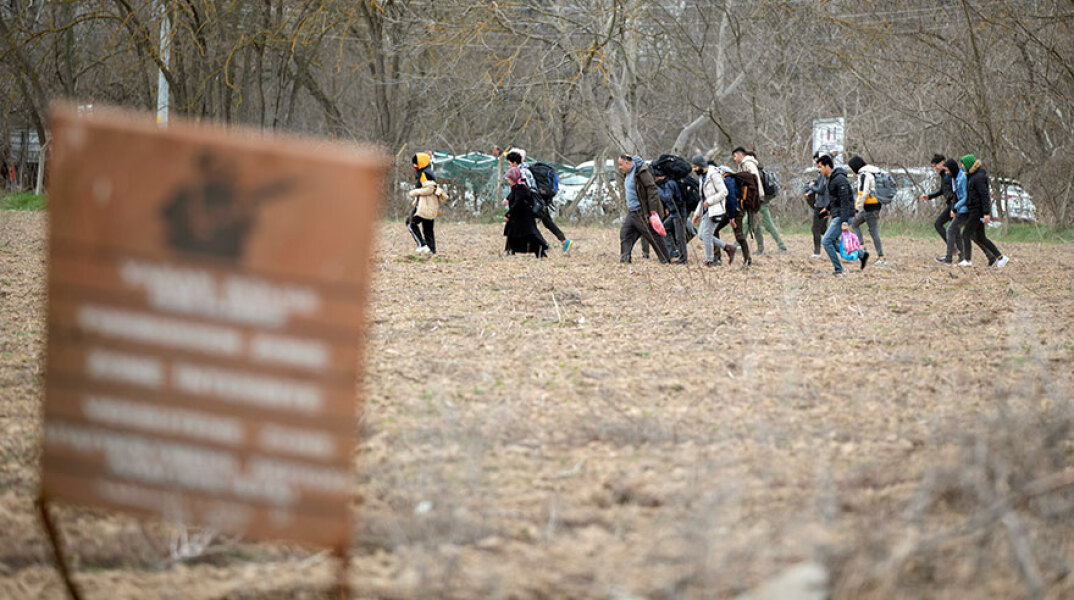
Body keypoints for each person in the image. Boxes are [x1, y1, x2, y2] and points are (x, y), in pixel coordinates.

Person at [506, 148, 572, 253]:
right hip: (538, 200)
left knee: (526, 225)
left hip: (531, 202)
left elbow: (523, 188)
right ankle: (563, 241)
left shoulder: (521, 172)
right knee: (546, 222)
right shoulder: (526, 168)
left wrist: (511, 198)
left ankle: (544, 246)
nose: (508, 166)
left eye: (509, 163)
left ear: (514, 162)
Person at [818, 154, 868, 274]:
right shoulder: (831, 179)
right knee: (832, 241)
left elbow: (845, 201)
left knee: (826, 241)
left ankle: (839, 270)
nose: (819, 170)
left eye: (820, 167)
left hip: (843, 215)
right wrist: (828, 209)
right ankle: (861, 254)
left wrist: (844, 221)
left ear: (827, 166)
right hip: (839, 214)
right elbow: (835, 198)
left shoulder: (840, 180)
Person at [616, 154, 670, 264]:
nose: (619, 167)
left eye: (621, 165)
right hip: (632, 211)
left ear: (628, 163)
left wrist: (653, 210)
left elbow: (652, 189)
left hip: (641, 210)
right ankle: (625, 259)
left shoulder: (641, 172)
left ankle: (665, 259)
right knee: (625, 233)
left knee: (652, 235)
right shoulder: (627, 173)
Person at [958, 154, 1009, 268]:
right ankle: (1000, 257)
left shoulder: (978, 177)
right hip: (974, 209)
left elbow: (984, 195)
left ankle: (967, 260)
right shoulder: (972, 175)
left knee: (966, 233)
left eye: (963, 164)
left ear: (968, 164)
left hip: (977, 210)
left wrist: (986, 213)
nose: (962, 166)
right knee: (981, 237)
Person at [733, 147, 786, 255]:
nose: (734, 159)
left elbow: (755, 181)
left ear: (740, 154)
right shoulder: (744, 165)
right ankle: (760, 249)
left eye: (734, 156)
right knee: (754, 224)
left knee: (763, 224)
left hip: (758, 200)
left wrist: (757, 197)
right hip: (755, 199)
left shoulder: (748, 164)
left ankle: (782, 247)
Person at [688, 155, 737, 266]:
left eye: (695, 167)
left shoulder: (714, 175)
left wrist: (710, 201)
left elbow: (724, 192)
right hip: (706, 210)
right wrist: (696, 214)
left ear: (701, 165)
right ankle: (728, 247)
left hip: (715, 209)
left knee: (707, 235)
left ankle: (709, 260)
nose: (694, 169)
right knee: (702, 235)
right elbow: (702, 198)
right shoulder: (702, 177)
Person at [847, 155, 887, 265]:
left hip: (870, 207)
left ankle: (881, 257)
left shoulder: (864, 175)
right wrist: (878, 209)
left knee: (873, 232)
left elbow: (863, 194)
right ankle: (861, 246)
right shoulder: (873, 172)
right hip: (873, 207)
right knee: (855, 224)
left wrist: (856, 209)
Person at [503, 167, 548, 258]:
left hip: (523, 218)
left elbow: (518, 203)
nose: (508, 180)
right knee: (512, 235)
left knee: (530, 236)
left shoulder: (520, 188)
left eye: (509, 178)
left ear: (513, 178)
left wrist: (508, 214)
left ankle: (540, 251)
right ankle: (509, 251)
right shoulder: (517, 187)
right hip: (518, 217)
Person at [407, 152, 444, 254]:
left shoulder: (424, 173)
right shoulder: (428, 171)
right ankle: (432, 252)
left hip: (424, 205)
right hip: (431, 204)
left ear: (421, 162)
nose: (414, 166)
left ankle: (422, 245)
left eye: (416, 163)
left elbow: (430, 189)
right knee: (428, 229)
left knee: (410, 223)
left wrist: (415, 192)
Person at [713, 165, 749, 266]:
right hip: (730, 211)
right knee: (714, 230)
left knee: (739, 236)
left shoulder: (728, 180)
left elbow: (731, 198)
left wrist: (732, 217)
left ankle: (748, 260)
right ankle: (717, 257)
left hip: (736, 211)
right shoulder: (728, 179)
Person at [920, 154, 958, 246]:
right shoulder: (943, 175)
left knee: (939, 224)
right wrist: (929, 196)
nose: (935, 168)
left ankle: (954, 248)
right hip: (951, 204)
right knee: (954, 230)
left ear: (941, 163)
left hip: (953, 204)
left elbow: (955, 191)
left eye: (935, 166)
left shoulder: (949, 174)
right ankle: (957, 250)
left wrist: (953, 206)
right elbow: (942, 190)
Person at [937, 158, 968, 264]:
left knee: (951, 230)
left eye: (947, 170)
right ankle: (959, 256)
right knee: (972, 235)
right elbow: (955, 195)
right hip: (959, 208)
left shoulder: (962, 178)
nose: (946, 173)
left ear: (952, 169)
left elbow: (965, 197)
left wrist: (955, 207)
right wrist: (953, 208)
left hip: (965, 209)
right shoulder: (954, 178)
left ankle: (950, 258)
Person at [654, 168, 688, 264]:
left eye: (656, 178)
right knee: (664, 229)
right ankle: (673, 251)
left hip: (679, 213)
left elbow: (667, 197)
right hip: (673, 213)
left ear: (661, 177)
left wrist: (657, 190)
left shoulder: (670, 183)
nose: (656, 181)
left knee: (679, 236)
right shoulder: (667, 183)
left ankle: (683, 259)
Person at [804, 151, 831, 258]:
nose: (816, 163)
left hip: (821, 205)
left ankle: (817, 252)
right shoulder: (825, 173)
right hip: (825, 204)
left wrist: (811, 187)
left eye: (817, 161)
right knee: (823, 229)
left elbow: (820, 189)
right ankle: (838, 244)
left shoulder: (823, 174)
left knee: (815, 228)